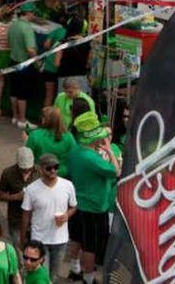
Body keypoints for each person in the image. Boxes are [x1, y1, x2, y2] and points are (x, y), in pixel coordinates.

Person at [66, 112, 120, 284]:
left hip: (77, 205)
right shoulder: (92, 159)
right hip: (94, 208)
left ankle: (74, 269)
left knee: (76, 238)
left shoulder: (75, 150)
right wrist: (109, 150)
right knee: (90, 247)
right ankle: (88, 279)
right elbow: (115, 171)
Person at [21, 152, 76, 282]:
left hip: (60, 240)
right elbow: (25, 215)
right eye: (48, 168)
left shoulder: (67, 185)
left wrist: (66, 215)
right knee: (40, 276)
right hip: (39, 241)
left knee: (53, 278)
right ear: (40, 169)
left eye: (56, 167)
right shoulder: (31, 189)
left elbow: (74, 206)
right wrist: (22, 239)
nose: (53, 171)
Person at [0, 147, 39, 250]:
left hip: (36, 220)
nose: (26, 170)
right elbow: (1, 196)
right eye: (23, 168)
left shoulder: (40, 173)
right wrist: (15, 197)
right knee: (19, 251)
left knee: (36, 252)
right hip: (16, 220)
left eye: (28, 168)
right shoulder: (8, 173)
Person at [7, 2, 39, 129]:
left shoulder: (13, 25)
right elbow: (31, 49)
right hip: (24, 64)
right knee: (22, 93)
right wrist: (37, 62)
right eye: (34, 13)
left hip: (13, 61)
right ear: (29, 13)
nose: (34, 15)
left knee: (14, 90)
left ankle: (15, 116)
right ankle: (22, 119)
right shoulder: (27, 28)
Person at [25, 106, 76, 177]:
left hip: (40, 174)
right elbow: (74, 157)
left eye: (43, 116)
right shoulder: (69, 136)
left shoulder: (35, 135)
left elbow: (27, 157)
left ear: (46, 119)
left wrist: (26, 141)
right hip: (62, 175)